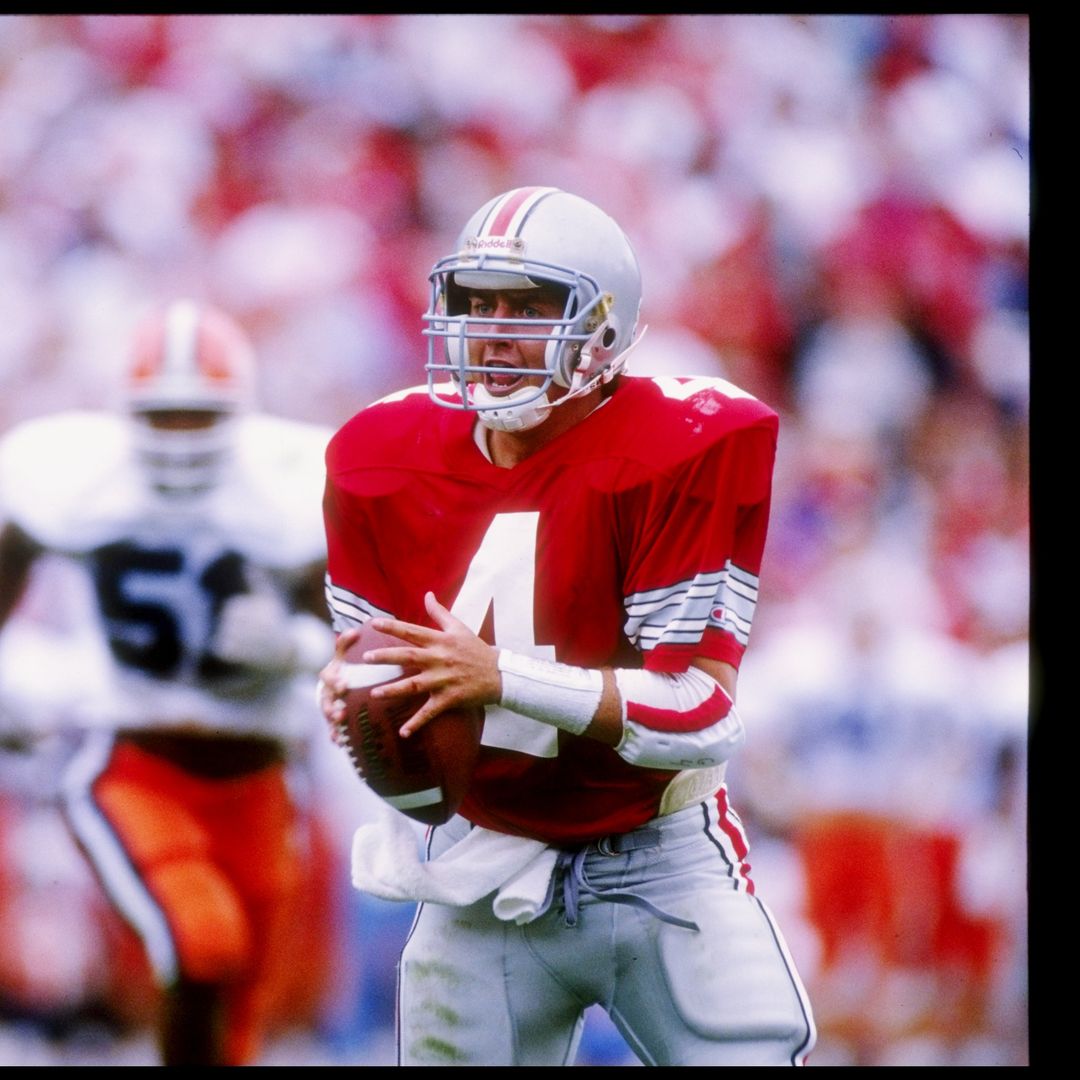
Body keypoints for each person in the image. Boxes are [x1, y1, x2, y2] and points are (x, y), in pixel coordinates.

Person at [317, 186, 816, 1066]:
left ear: (603, 328)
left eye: (530, 306)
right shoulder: (378, 457)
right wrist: (351, 688)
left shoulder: (682, 440)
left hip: (656, 859)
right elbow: (372, 662)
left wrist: (501, 678)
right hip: (481, 866)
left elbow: (702, 714)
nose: (497, 330)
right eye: (478, 303)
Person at [0, 299, 337, 1065]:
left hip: (260, 776)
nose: (179, 436)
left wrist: (290, 645)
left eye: (197, 414)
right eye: (161, 415)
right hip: (135, 760)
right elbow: (10, 561)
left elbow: (356, 644)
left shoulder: (288, 490)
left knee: (241, 1015)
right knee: (203, 943)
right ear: (125, 413)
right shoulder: (68, 479)